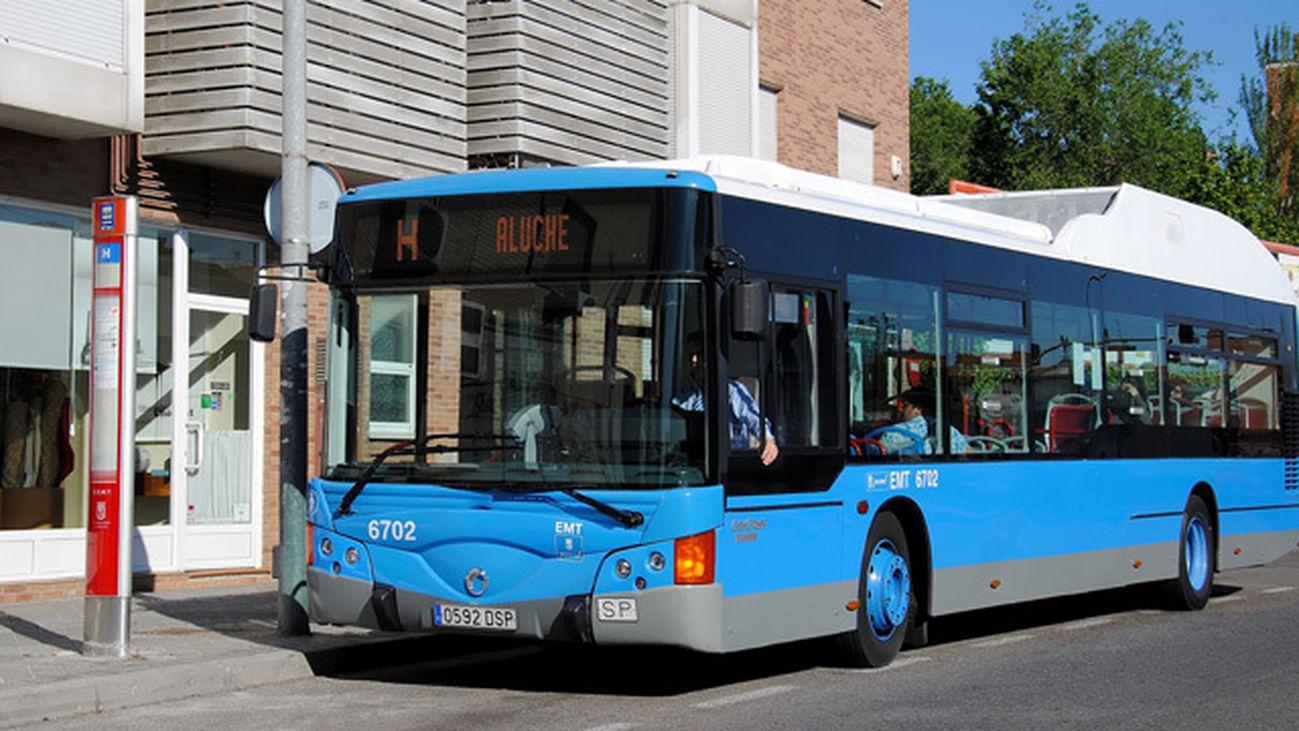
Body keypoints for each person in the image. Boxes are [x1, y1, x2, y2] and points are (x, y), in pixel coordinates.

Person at [672, 334, 779, 466]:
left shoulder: (732, 391)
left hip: (728, 464)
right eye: (691, 354)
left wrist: (767, 439)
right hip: (696, 462)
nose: (693, 360)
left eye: (699, 354)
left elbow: (755, 419)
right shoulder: (685, 397)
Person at [875, 387, 967, 455]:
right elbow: (969, 455)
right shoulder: (948, 431)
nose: (900, 410)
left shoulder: (893, 433)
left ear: (918, 409)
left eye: (905, 406)